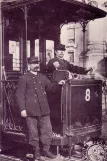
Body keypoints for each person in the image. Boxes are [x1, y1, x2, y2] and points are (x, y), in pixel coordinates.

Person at [15, 56, 65, 161]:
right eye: (34, 63)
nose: (36, 65)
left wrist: (59, 84)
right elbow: (19, 95)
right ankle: (36, 152)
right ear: (29, 65)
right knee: (33, 133)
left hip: (44, 109)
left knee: (47, 130)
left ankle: (46, 151)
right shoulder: (24, 78)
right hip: (30, 110)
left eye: (37, 63)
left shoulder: (42, 77)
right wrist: (22, 109)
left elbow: (51, 87)